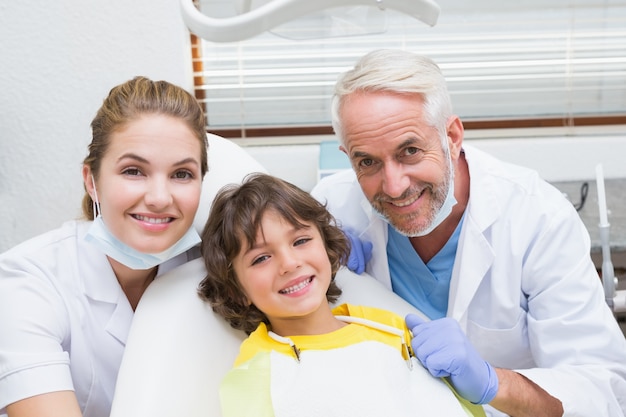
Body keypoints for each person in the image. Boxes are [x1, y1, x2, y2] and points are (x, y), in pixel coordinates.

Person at [310, 49, 626, 417]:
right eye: (367, 162)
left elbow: (599, 390)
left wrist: (491, 382)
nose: (394, 187)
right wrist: (318, 262)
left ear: (452, 136)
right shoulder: (331, 210)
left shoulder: (536, 219)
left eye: (410, 151)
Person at [0, 76, 209, 417]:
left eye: (182, 174)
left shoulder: (212, 270)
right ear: (92, 182)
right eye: (133, 171)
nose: (159, 198)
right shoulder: (26, 280)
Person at [198, 172, 485, 417]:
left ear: (327, 245)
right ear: (236, 290)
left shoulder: (389, 326)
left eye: (301, 240)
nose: (290, 263)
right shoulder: (258, 373)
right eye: (261, 258)